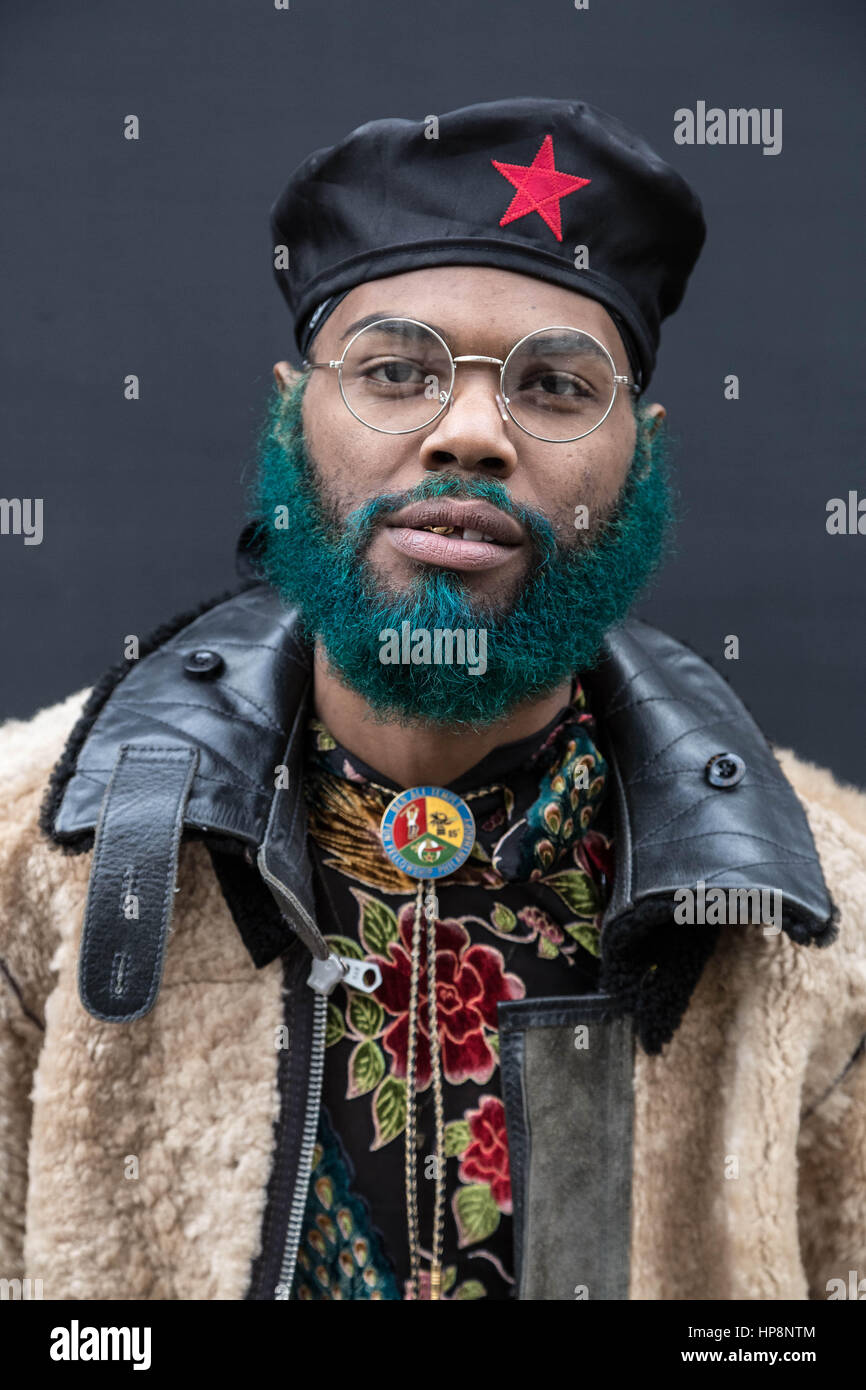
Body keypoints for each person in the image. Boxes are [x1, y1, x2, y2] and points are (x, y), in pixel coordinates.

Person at [2, 97, 864, 1303]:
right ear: (290, 413)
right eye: (397, 372)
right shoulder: (31, 859)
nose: (468, 433)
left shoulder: (823, 922)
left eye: (555, 388)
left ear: (640, 450)